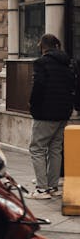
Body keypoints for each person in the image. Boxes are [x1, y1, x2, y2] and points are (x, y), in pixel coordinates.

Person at [28, 33, 78, 199]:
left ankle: (42, 189)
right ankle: (53, 186)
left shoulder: (41, 63)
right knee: (55, 149)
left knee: (37, 148)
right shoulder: (68, 63)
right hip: (63, 112)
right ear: (57, 46)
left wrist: (33, 107)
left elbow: (38, 87)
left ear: (42, 47)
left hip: (45, 112)